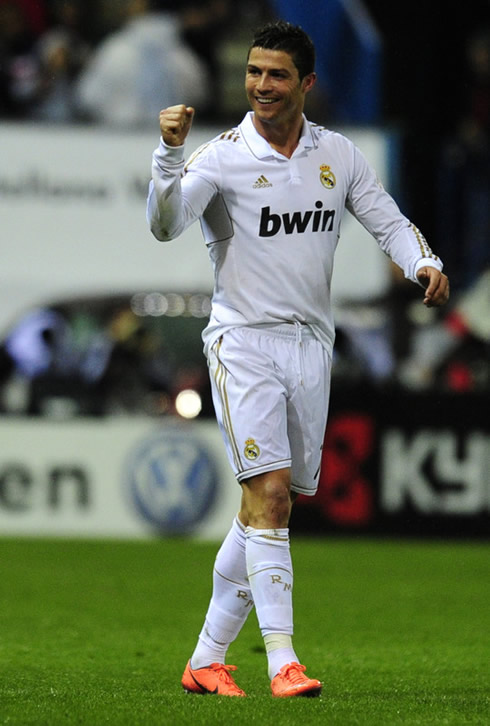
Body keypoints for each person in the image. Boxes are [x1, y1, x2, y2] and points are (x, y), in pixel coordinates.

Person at [146, 20, 449, 698]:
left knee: (266, 507)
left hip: (310, 348)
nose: (261, 85)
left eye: (276, 75)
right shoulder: (222, 157)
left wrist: (422, 260)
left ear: (306, 84)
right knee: (273, 496)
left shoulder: (337, 154)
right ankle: (283, 661)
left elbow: (388, 220)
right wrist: (168, 157)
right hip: (243, 342)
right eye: (254, 72)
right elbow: (165, 226)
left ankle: (204, 661)